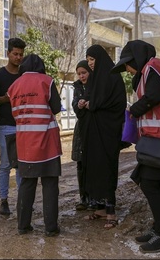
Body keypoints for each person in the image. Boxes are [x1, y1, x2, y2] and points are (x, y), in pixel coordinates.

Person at [111, 40, 160, 253]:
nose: (127, 68)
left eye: (127, 64)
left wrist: (133, 110)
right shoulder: (146, 71)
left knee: (149, 184)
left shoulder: (154, 66)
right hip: (158, 140)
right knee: (159, 184)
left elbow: (153, 96)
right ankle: (159, 229)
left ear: (136, 57)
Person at [7, 54, 62, 237]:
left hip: (24, 143)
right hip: (47, 143)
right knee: (50, 184)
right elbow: (55, 108)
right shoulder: (47, 81)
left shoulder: (13, 86)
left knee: (26, 184)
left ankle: (23, 226)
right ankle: (51, 228)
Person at [80, 44, 127, 229]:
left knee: (106, 169)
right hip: (94, 134)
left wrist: (93, 104)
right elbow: (92, 100)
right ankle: (99, 209)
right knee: (94, 168)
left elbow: (114, 103)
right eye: (89, 59)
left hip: (107, 134)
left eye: (92, 59)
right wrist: (85, 103)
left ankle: (111, 213)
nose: (90, 63)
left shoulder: (112, 76)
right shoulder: (95, 79)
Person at [0, 38, 26, 216]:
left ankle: (22, 200)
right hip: (5, 126)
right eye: (15, 54)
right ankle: (3, 200)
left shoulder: (25, 75)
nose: (18, 57)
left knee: (21, 165)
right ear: (8, 54)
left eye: (21, 54)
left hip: (24, 126)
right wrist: (6, 99)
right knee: (5, 164)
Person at [71, 60, 92, 211]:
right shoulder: (77, 87)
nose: (82, 76)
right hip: (81, 128)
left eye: (84, 73)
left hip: (93, 127)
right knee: (80, 164)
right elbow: (74, 106)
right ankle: (83, 197)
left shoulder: (95, 85)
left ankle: (94, 197)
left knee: (92, 164)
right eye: (79, 74)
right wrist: (78, 104)